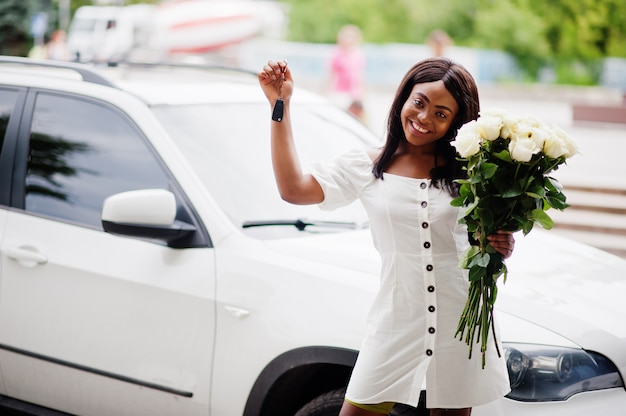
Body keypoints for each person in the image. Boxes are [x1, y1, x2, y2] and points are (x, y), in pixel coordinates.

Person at [258, 57, 515, 416]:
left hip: (462, 320)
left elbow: (477, 241)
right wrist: (279, 106)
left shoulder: (473, 172)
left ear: (457, 122)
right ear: (404, 97)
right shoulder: (365, 165)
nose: (425, 118)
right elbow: (294, 189)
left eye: (442, 114)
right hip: (397, 318)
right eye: (420, 102)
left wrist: (498, 245)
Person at [327, 24, 366, 121]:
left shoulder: (358, 54)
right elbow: (330, 74)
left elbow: (359, 76)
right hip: (339, 93)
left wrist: (361, 94)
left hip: (354, 94)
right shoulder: (336, 53)